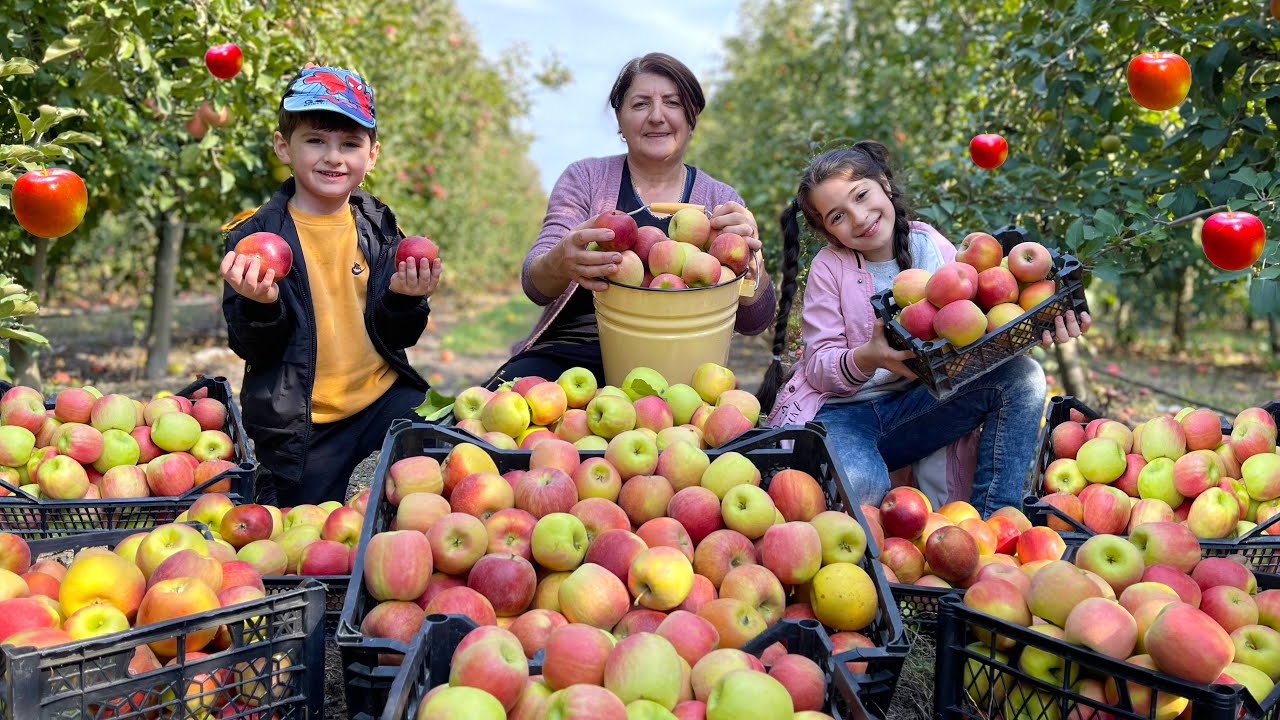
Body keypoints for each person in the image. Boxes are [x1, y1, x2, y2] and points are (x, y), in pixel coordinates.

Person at [756, 142, 1090, 517]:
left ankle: (995, 520)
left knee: (1022, 377)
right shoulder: (829, 268)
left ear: (884, 183)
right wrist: (866, 358)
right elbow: (818, 366)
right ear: (828, 231)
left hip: (916, 408)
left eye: (862, 195)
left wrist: (1034, 325)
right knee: (862, 486)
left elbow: (978, 323)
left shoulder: (928, 244)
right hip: (844, 414)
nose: (859, 217)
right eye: (838, 216)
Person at [220, 66, 443, 506]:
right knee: (301, 534)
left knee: (445, 452)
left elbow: (398, 334)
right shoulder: (254, 237)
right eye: (316, 140)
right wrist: (261, 306)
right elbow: (254, 348)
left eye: (350, 144)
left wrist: (405, 299)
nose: (334, 157)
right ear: (284, 147)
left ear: (372, 155)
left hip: (383, 395)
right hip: (305, 420)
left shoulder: (378, 225)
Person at [497, 52, 776, 387]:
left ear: (692, 117)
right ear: (619, 119)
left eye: (672, 102)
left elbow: (754, 321)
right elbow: (535, 284)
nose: (657, 116)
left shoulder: (720, 201)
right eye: (641, 104)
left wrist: (751, 258)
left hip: (681, 366)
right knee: (493, 412)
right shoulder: (585, 178)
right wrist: (563, 259)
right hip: (574, 354)